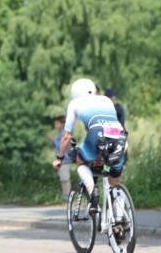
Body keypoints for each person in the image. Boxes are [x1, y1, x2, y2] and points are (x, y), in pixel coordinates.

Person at [53, 79, 128, 216]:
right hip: (120, 135)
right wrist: (99, 155)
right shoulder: (106, 100)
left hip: (97, 133)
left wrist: (60, 158)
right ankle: (120, 219)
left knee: (80, 161)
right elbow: (108, 126)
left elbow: (67, 137)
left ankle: (92, 189)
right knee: (114, 182)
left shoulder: (75, 103)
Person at [49, 115, 75, 199]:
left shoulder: (64, 133)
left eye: (57, 123)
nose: (55, 125)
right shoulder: (61, 133)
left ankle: (67, 195)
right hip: (61, 159)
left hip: (64, 159)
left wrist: (53, 140)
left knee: (66, 178)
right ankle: (65, 195)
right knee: (63, 178)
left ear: (62, 124)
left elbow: (61, 145)